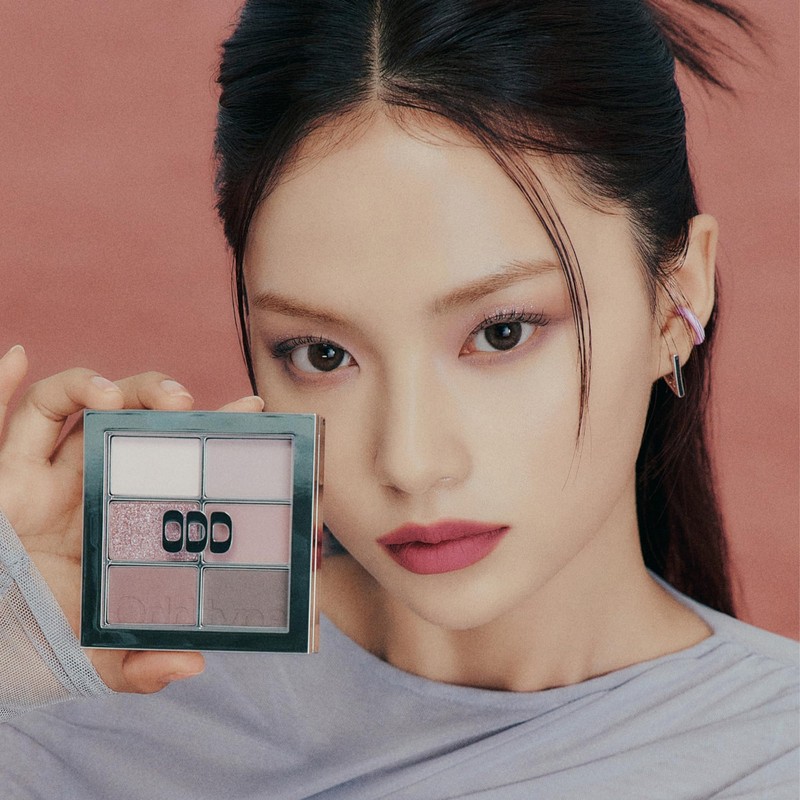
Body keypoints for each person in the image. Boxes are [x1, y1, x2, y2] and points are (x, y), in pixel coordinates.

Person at [0, 0, 797, 798]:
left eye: (503, 334)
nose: (409, 462)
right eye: (321, 353)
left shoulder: (771, 756)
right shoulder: (84, 682)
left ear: (676, 301)